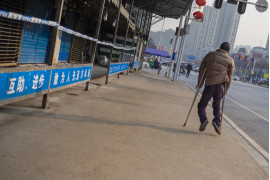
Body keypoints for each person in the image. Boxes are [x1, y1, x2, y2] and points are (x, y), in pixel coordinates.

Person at [197, 42, 235, 134]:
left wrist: (200, 82)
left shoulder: (210, 55)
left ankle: (204, 119)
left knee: (202, 105)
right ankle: (216, 122)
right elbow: (230, 76)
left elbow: (202, 69)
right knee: (217, 106)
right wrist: (226, 90)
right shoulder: (230, 60)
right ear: (228, 51)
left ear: (219, 47)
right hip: (221, 87)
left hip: (209, 85)